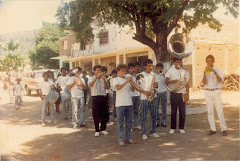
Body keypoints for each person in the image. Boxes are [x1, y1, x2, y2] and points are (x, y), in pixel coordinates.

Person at [202, 55, 227, 136]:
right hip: (208, 92)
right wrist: (205, 73)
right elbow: (204, 83)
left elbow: (220, 81)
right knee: (209, 111)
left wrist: (214, 72)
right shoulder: (205, 71)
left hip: (216, 91)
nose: (208, 63)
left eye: (210, 61)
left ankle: (223, 129)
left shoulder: (218, 70)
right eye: (207, 61)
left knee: (219, 110)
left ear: (213, 61)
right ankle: (212, 129)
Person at [165, 57, 189, 134]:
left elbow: (186, 82)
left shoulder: (183, 71)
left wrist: (187, 93)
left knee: (182, 111)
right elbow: (166, 81)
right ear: (173, 63)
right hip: (174, 93)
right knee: (173, 111)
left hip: (182, 93)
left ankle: (181, 127)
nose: (178, 64)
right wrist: (173, 81)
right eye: (176, 62)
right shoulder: (170, 71)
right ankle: (173, 128)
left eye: (179, 62)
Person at [113, 64, 135, 146]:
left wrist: (132, 82)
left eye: (125, 71)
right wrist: (127, 81)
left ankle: (128, 138)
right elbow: (118, 88)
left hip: (129, 102)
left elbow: (132, 90)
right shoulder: (115, 79)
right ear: (118, 71)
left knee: (129, 122)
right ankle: (120, 139)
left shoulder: (128, 79)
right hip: (120, 104)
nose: (124, 72)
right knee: (120, 122)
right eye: (122, 71)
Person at [138, 59, 159, 140]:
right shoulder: (140, 75)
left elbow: (156, 86)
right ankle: (143, 132)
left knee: (154, 115)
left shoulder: (154, 75)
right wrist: (145, 92)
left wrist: (155, 85)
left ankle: (153, 131)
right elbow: (137, 87)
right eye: (149, 66)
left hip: (154, 97)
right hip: (144, 97)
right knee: (143, 115)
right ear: (145, 66)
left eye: (151, 65)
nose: (151, 67)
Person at [88, 65, 109, 137]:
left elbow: (107, 87)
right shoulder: (91, 78)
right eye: (97, 70)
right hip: (95, 97)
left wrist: (104, 79)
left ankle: (103, 129)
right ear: (94, 71)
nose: (99, 72)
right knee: (96, 114)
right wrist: (96, 78)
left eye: (100, 71)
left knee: (104, 114)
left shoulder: (104, 78)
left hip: (103, 96)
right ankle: (97, 130)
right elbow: (90, 85)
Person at [126, 63, 141, 130]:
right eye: (131, 68)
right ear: (128, 69)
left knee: (136, 111)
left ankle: (136, 124)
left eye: (134, 68)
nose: (133, 69)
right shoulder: (127, 76)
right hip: (130, 95)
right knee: (129, 112)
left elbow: (139, 84)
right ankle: (129, 126)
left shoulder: (136, 76)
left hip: (137, 95)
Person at [156, 63, 168, 127]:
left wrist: (163, 75)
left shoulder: (165, 75)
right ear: (156, 69)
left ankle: (163, 122)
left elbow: (167, 83)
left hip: (164, 92)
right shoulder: (154, 75)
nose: (159, 69)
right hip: (157, 93)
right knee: (156, 108)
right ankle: (157, 121)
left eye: (160, 68)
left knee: (164, 108)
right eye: (158, 68)